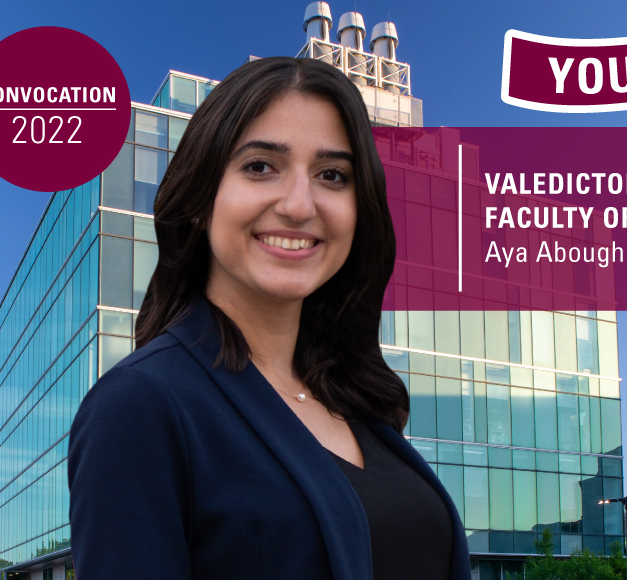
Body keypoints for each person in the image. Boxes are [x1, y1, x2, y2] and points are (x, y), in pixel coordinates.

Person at [68, 56, 471, 579]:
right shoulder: (141, 406)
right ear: (200, 199)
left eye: (332, 174)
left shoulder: (355, 399)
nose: (300, 205)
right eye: (260, 166)